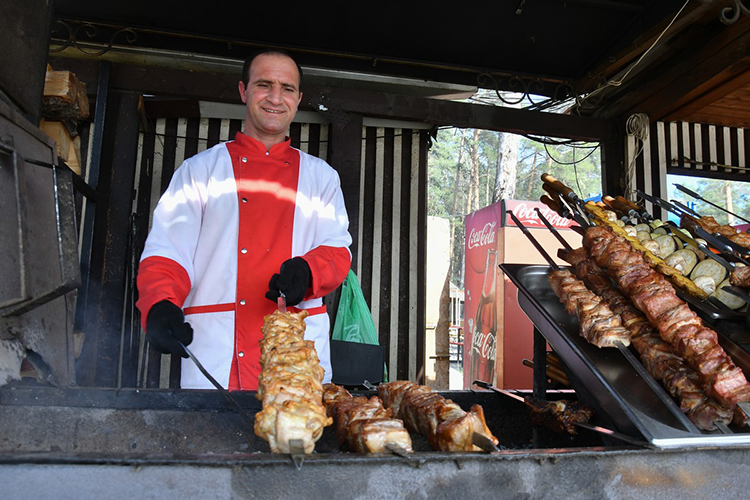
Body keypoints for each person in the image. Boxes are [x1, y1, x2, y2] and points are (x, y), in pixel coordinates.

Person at [136, 49, 352, 391]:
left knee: (296, 437)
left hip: (295, 356)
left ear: (298, 99)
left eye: (287, 88)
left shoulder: (322, 177)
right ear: (243, 91)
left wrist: (309, 271)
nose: (276, 98)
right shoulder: (199, 172)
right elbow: (167, 252)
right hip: (216, 351)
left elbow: (337, 251)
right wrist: (160, 304)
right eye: (264, 85)